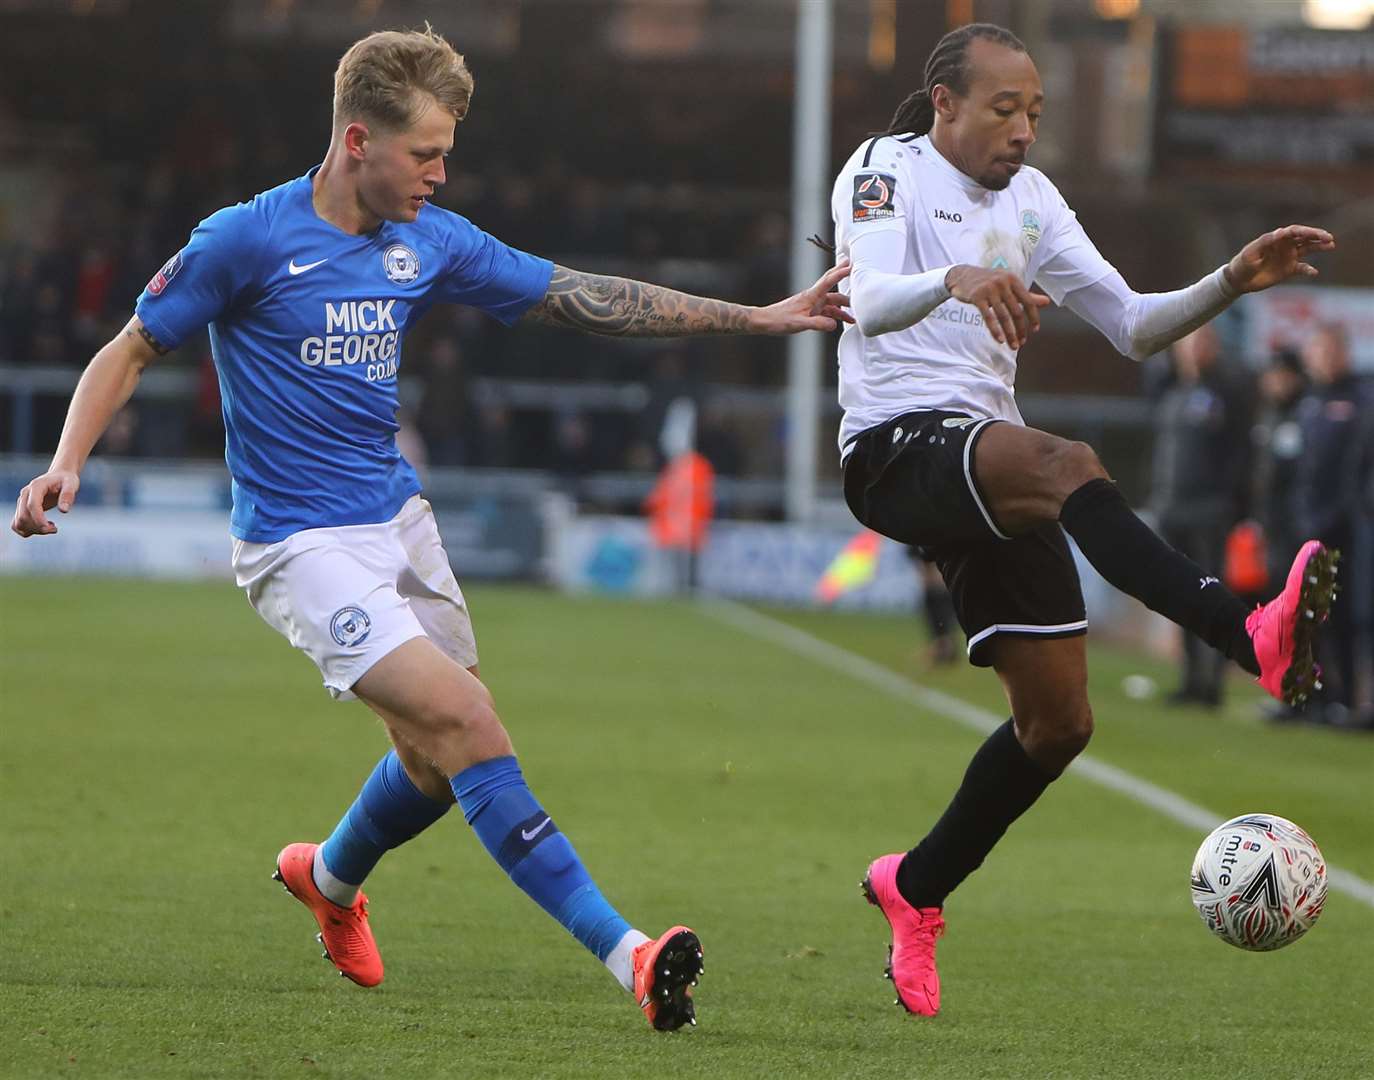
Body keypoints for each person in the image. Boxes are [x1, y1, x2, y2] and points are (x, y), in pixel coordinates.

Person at [10, 26, 850, 1032]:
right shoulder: (244, 238)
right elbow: (131, 348)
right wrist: (65, 463)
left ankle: (327, 878)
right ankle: (629, 954)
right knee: (468, 728)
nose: (441, 176)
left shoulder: (428, 241)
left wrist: (757, 319)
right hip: (298, 546)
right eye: (425, 155)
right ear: (357, 139)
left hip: (397, 522)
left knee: (436, 759)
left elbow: (579, 298)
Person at [829, 23, 1338, 1017]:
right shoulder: (884, 169)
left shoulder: (1033, 201)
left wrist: (1231, 280)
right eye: (1004, 108)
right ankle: (1249, 635)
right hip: (893, 447)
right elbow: (871, 295)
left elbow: (1136, 327)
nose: (1024, 129)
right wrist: (957, 277)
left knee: (1059, 724)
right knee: (1069, 463)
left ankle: (914, 888)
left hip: (982, 454)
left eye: (1037, 113)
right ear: (945, 105)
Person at [1147, 325, 1253, 707]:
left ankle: (1213, 680)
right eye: (1189, 344)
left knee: (1214, 595)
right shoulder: (1172, 390)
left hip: (1210, 510)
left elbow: (1241, 452)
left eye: (1203, 343)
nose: (1195, 351)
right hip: (1173, 508)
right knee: (1184, 596)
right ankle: (1191, 676)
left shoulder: (1225, 391)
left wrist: (1233, 502)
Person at [1292, 324, 1371, 724]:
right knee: (1308, 614)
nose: (1319, 359)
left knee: (1347, 614)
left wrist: (1343, 514)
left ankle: (1350, 699)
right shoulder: (1308, 402)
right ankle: (1317, 696)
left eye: (1327, 351)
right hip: (1307, 525)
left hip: (1346, 528)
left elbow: (1353, 471)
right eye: (1315, 351)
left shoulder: (1360, 400)